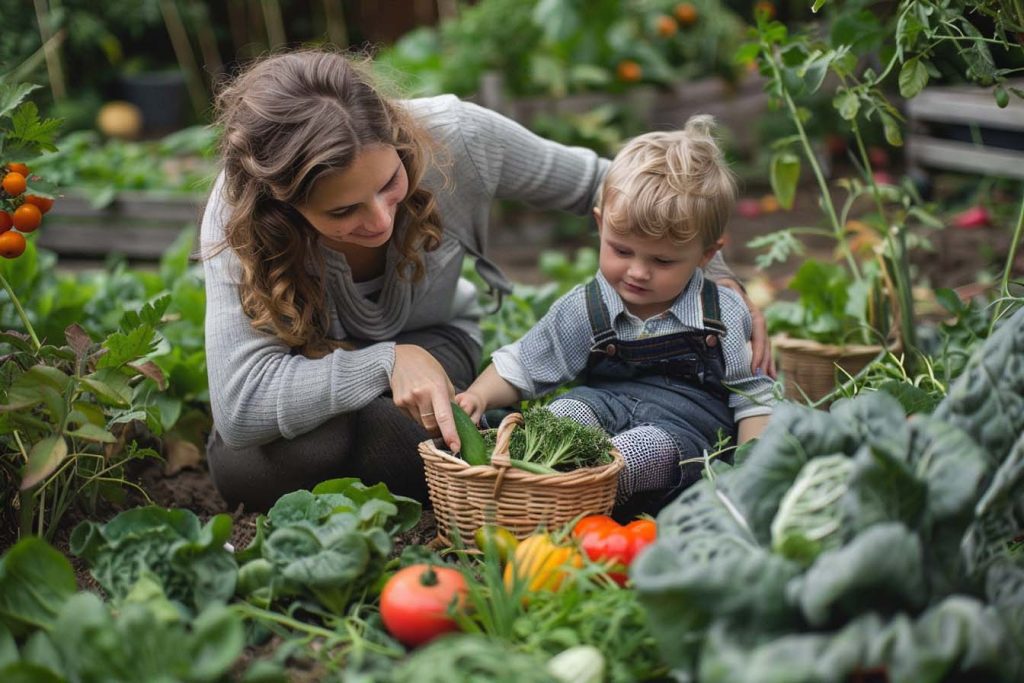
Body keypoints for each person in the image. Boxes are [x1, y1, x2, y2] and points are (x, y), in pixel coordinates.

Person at [200, 48, 773, 511]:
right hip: (318, 366)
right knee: (292, 449)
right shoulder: (241, 213)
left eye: (389, 184)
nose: (379, 220)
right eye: (342, 212)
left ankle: (425, 469)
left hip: (436, 343)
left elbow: (621, 188)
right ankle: (404, 464)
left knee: (390, 436)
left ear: (398, 143)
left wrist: (715, 281)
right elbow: (241, 405)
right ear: (285, 202)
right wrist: (383, 361)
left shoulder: (459, 138)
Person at [455, 117, 776, 507]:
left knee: (638, 453)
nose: (638, 272)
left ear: (707, 255)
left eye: (662, 260)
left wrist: (749, 474)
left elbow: (753, 399)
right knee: (562, 415)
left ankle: (584, 500)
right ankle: (533, 490)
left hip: (686, 428)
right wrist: (477, 396)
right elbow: (527, 361)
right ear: (600, 225)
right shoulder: (589, 306)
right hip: (605, 403)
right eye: (622, 251)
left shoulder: (721, 313)